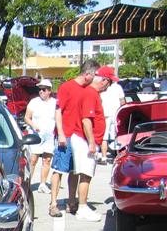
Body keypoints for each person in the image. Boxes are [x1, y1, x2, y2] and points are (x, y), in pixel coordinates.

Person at [50, 58, 101, 220]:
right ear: (87, 74)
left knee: (74, 170)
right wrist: (61, 133)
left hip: (79, 137)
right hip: (66, 135)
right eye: (94, 75)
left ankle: (72, 201)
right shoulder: (67, 87)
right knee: (59, 169)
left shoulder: (88, 90)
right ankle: (53, 204)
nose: (95, 79)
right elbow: (58, 111)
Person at [24, 79, 57, 193]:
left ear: (49, 91)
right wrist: (34, 125)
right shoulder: (34, 102)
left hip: (49, 135)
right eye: (40, 89)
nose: (41, 92)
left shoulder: (54, 103)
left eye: (44, 89)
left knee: (47, 159)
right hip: (36, 134)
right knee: (33, 159)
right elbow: (27, 117)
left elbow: (58, 118)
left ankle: (42, 184)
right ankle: (27, 184)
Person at [98, 66, 125, 161]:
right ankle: (117, 157)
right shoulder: (118, 87)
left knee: (104, 138)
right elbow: (123, 102)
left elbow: (99, 102)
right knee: (117, 137)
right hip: (116, 114)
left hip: (105, 115)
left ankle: (104, 157)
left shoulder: (100, 88)